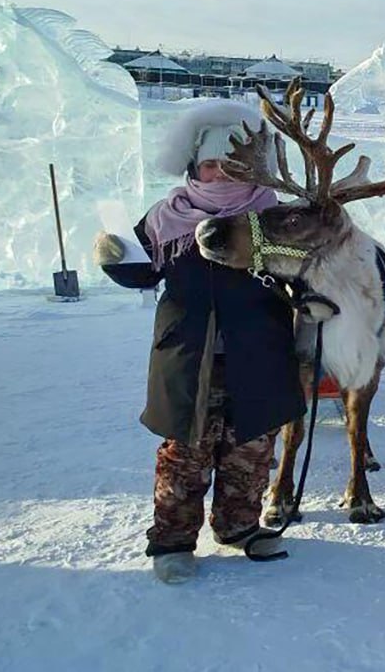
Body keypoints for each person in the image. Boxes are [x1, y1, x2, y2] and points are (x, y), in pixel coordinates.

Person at [92, 100, 305, 584]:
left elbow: (307, 274)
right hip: (190, 355)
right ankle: (172, 540)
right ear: (194, 167)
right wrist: (114, 257)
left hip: (260, 352)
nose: (221, 174)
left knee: (250, 448)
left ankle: (239, 525)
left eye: (233, 166)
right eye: (211, 164)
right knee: (185, 453)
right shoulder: (166, 216)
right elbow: (143, 271)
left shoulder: (276, 218)